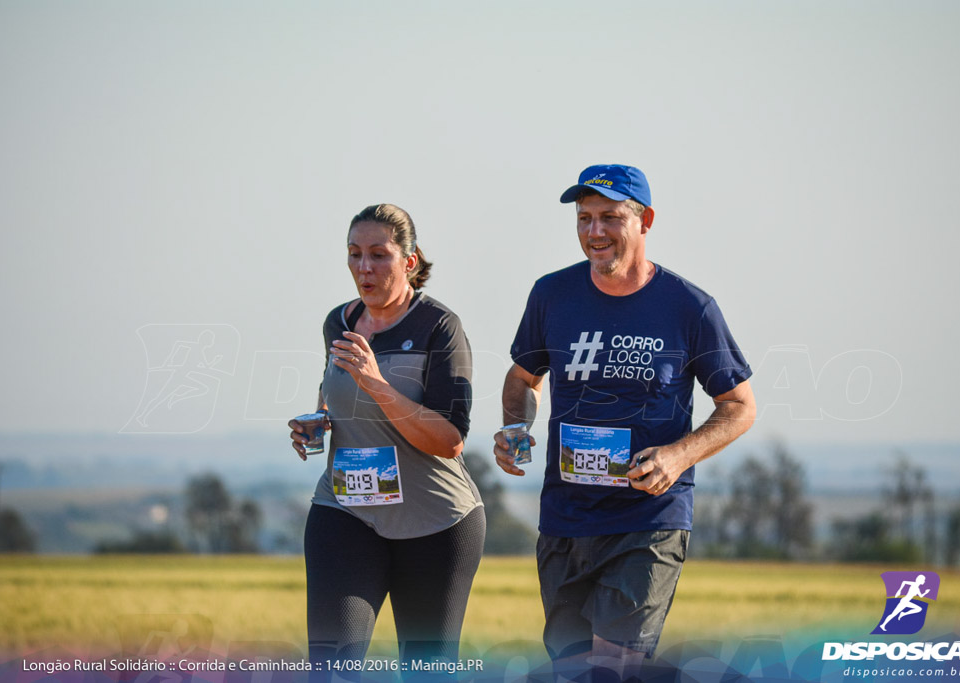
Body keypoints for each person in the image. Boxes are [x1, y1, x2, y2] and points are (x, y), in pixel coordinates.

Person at [493, 164, 756, 680]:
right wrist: (515, 429)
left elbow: (739, 406)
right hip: (565, 520)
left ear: (645, 221)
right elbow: (523, 378)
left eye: (610, 217)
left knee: (614, 670)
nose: (594, 232)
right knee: (571, 671)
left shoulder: (689, 307)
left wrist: (678, 456)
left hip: (648, 521)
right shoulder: (552, 295)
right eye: (584, 218)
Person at [289, 204, 485, 676]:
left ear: (410, 262)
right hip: (347, 512)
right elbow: (334, 388)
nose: (364, 268)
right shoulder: (338, 322)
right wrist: (318, 419)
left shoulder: (440, 327)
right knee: (331, 669)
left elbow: (450, 439)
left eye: (379, 255)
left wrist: (377, 382)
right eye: (355, 254)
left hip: (435, 522)